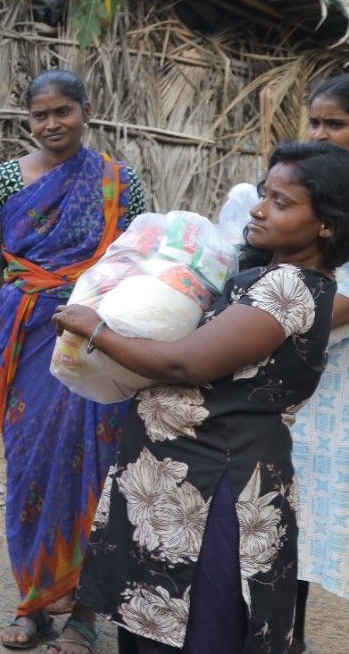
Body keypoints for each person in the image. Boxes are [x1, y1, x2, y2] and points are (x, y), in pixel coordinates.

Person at [56, 141, 349, 654]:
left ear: (327, 224)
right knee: (154, 627)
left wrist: (96, 328)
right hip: (182, 484)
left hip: (215, 491)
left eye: (282, 203)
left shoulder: (291, 289)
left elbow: (185, 363)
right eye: (264, 195)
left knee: (201, 628)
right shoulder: (262, 275)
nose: (259, 209)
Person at [0, 69, 149, 653]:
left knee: (92, 467)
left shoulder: (117, 182)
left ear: (85, 111)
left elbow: (137, 262)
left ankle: (83, 610)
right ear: (27, 120)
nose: (53, 124)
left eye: (64, 111)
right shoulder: (5, 180)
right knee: (28, 462)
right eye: (41, 114)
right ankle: (33, 603)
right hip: (25, 331)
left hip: (94, 336)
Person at [290, 75, 349, 652]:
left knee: (310, 515)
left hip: (333, 390)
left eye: (335, 123)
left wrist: (259, 314)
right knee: (292, 516)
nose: (320, 134)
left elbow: (336, 305)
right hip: (302, 386)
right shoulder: (312, 186)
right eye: (315, 122)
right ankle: (288, 638)